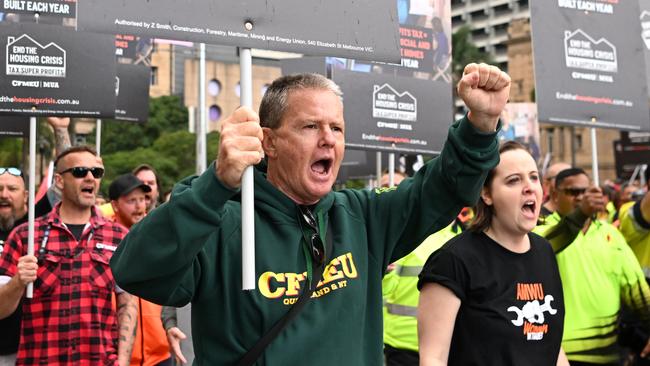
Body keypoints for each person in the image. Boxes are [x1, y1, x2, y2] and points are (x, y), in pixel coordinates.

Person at [110, 64, 510, 365]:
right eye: (310, 126)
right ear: (269, 141)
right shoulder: (224, 219)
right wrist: (216, 184)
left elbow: (442, 188)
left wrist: (480, 124)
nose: (328, 139)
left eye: (336, 127)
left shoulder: (363, 217)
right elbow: (135, 270)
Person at [417, 141, 568, 366]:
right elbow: (433, 358)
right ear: (486, 194)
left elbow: (551, 345)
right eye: (514, 180)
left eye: (534, 177)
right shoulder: (454, 260)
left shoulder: (544, 251)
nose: (529, 187)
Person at [0, 146, 137, 365]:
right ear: (60, 181)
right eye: (80, 171)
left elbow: (128, 303)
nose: (90, 177)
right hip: (41, 359)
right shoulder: (25, 236)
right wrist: (18, 282)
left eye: (97, 172)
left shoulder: (119, 236)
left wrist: (122, 360)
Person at [536, 168, 650, 365]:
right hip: (560, 354)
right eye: (573, 192)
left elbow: (637, 291)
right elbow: (553, 241)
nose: (581, 198)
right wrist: (581, 214)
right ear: (555, 194)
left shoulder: (610, 233)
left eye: (585, 191)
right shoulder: (541, 230)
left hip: (611, 353)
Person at [383, 209, 469, 366]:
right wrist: (384, 273)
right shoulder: (409, 236)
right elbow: (384, 292)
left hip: (447, 347)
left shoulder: (463, 237)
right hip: (403, 345)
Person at [109, 174, 171, 366]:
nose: (139, 206)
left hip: (161, 353)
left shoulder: (158, 233)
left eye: (142, 199)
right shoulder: (105, 239)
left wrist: (170, 327)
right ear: (115, 205)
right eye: (131, 201)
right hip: (121, 355)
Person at [0, 167, 27, 366]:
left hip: (26, 346)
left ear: (26, 195)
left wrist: (60, 133)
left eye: (12, 189)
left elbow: (66, 179)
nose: (4, 195)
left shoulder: (40, 223)